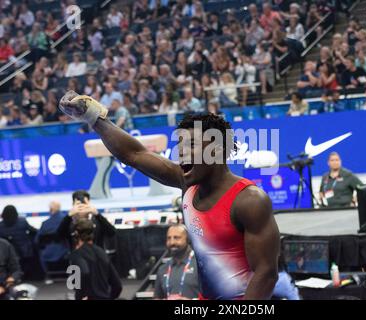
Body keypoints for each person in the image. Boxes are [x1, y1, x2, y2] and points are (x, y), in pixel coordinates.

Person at [59, 92, 280, 300]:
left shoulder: (249, 200)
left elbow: (266, 273)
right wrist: (93, 117)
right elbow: (134, 154)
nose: (181, 152)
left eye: (191, 145)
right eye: (180, 145)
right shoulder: (186, 184)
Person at [69, 219, 122, 300]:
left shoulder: (77, 254)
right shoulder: (102, 253)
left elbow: (83, 273)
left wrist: (80, 296)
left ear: (76, 234)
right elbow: (118, 285)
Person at [154, 224, 200, 300]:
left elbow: (215, 296)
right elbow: (157, 297)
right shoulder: (162, 269)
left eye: (177, 238)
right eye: (169, 238)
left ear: (188, 239)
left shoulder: (200, 266)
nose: (172, 242)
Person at [35, 201, 69, 284]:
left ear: (50, 209)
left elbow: (36, 240)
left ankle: (48, 276)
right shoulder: (67, 221)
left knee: (39, 252)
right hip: (66, 250)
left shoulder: (45, 224)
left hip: (49, 252)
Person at [0, 205, 36, 279]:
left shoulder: (1, 225)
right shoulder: (22, 221)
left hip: (6, 252)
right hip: (24, 250)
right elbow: (33, 231)